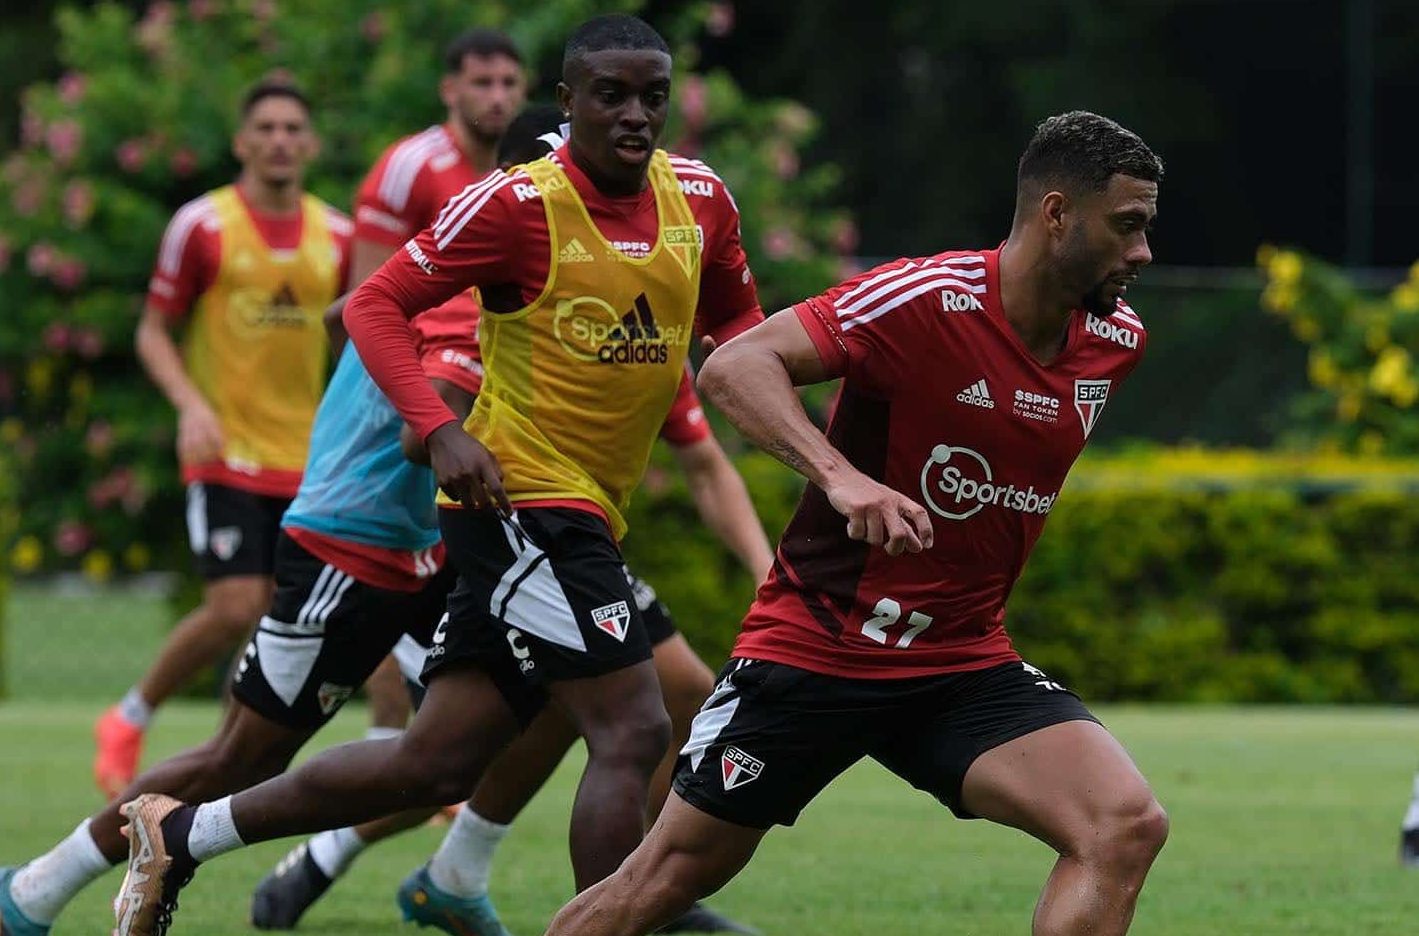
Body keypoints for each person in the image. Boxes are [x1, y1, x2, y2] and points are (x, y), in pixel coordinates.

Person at [110, 15, 765, 935]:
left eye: (652, 95)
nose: (634, 114)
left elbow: (742, 338)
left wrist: (823, 447)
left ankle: (182, 835)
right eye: (609, 94)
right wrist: (437, 432)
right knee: (634, 727)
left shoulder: (698, 200)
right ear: (568, 100)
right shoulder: (515, 203)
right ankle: (622, 923)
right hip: (516, 502)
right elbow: (368, 308)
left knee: (435, 765)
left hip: (579, 512)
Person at [544, 110, 1169, 936]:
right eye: (1126, 226)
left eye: (1148, 229)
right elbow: (734, 365)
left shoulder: (1114, 342)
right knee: (660, 881)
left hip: (959, 660)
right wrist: (841, 478)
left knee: (1123, 824)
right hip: (821, 649)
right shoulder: (925, 300)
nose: (1142, 253)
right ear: (1055, 214)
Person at [93, 78, 351, 800]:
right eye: (264, 127)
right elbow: (152, 331)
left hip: (308, 458)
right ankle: (127, 717)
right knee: (237, 607)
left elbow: (361, 338)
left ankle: (225, 762)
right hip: (226, 453)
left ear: (310, 144)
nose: (279, 140)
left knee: (287, 619)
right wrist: (188, 405)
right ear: (241, 141)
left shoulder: (336, 237)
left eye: (292, 128)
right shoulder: (202, 226)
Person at [333, 25, 527, 745]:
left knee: (445, 570)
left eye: (510, 83)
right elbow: (363, 303)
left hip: (492, 390)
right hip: (420, 402)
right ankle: (397, 743)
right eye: (482, 82)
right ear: (450, 89)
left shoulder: (525, 175)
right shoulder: (411, 167)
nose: (498, 96)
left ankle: (420, 747)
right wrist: (413, 410)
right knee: (391, 571)